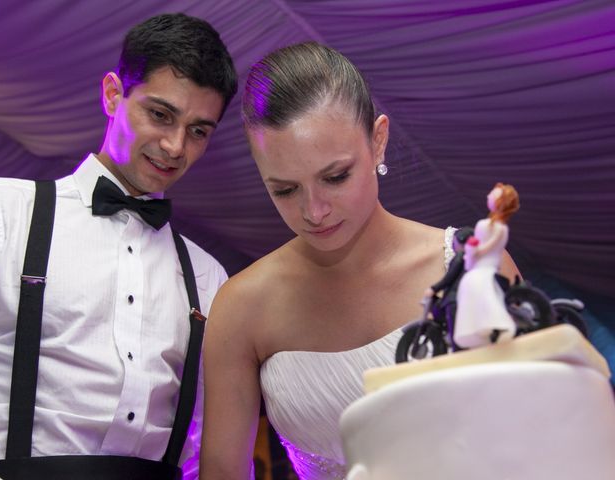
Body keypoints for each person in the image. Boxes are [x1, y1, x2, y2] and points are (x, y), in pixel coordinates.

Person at [199, 42, 519, 479]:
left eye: (335, 177)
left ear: (379, 141)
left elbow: (543, 430)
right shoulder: (242, 307)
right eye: (285, 189)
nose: (314, 211)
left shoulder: (470, 269)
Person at [0, 13, 237, 480]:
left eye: (199, 131)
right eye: (160, 114)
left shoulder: (209, 277)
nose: (176, 146)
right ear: (113, 94)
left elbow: (201, 444)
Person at [453, 183, 520, 348]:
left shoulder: (499, 228)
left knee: (475, 283)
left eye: (493, 195)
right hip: (479, 263)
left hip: (487, 264)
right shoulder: (487, 223)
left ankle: (499, 322)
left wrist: (474, 250)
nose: (488, 196)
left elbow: (490, 246)